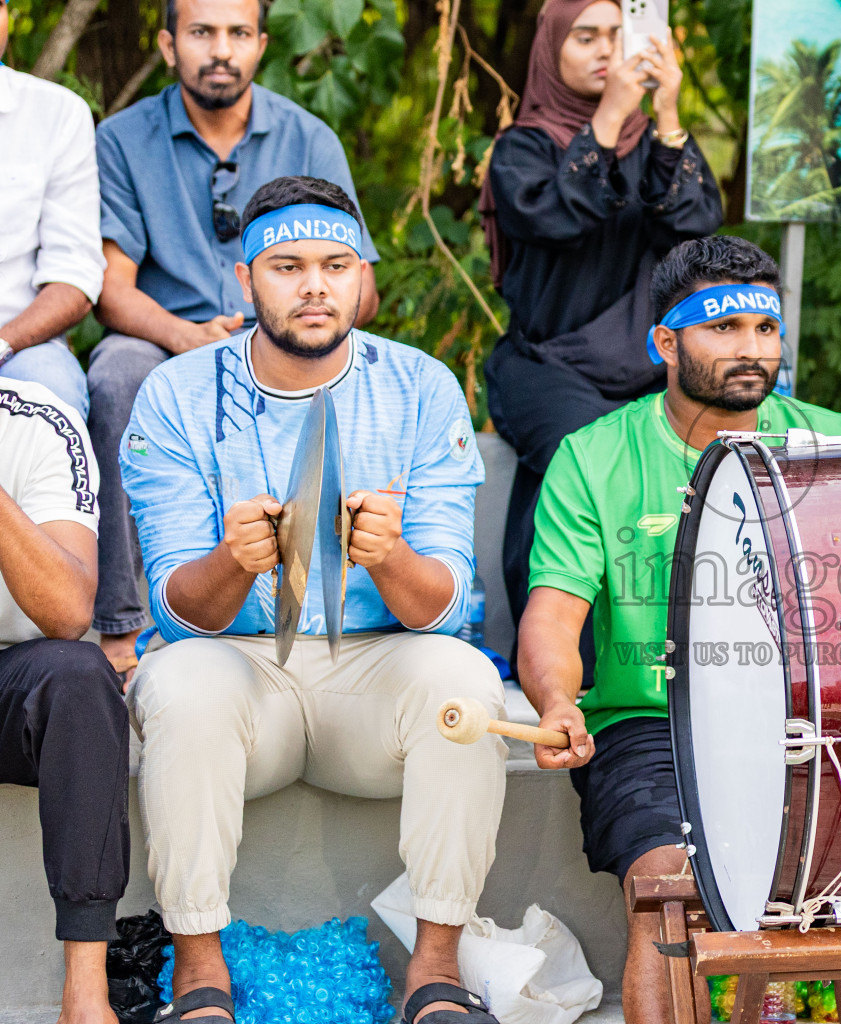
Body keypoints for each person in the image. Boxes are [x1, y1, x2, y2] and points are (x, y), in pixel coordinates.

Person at [518, 235, 841, 1024]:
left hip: (811, 724)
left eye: (765, 329)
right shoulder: (595, 457)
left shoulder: (831, 436)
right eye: (724, 328)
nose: (752, 349)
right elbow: (552, 616)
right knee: (669, 889)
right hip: (653, 725)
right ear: (665, 343)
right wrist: (556, 702)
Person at [119, 176, 504, 1024]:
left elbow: (444, 608)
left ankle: (435, 974)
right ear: (243, 278)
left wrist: (392, 556)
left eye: (336, 264)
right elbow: (178, 612)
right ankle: (199, 972)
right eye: (287, 266)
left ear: (363, 275)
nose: (315, 286)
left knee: (466, 684)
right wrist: (231, 561)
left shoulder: (422, 387)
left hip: (374, 669)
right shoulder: (177, 393)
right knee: (180, 685)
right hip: (237, 669)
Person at [91, 0, 381, 682]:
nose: (220, 49)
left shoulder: (308, 136)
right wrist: (188, 337)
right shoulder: (124, 138)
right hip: (170, 337)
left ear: (260, 44)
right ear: (168, 45)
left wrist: (288, 323)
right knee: (114, 375)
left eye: (237, 33)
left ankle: (337, 612)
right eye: (201, 33)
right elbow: (112, 287)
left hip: (287, 337)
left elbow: (359, 287)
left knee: (363, 370)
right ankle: (122, 629)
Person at [483, 0, 722, 686]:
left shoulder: (655, 144)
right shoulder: (522, 148)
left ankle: (677, 664)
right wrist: (610, 119)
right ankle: (568, 671)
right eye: (585, 37)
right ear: (550, 50)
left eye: (618, 36)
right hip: (544, 360)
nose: (605, 51)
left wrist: (667, 113)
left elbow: (697, 230)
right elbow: (559, 217)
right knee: (585, 447)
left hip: (647, 365)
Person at [0, 376, 130, 1024]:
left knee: (79, 676)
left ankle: (85, 994)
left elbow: (68, 612)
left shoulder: (38, 420)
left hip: (12, 677)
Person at [0, 0, 106, 416]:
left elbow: (73, 275)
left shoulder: (56, 114)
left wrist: (4, 342)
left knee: (50, 383)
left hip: (17, 346)